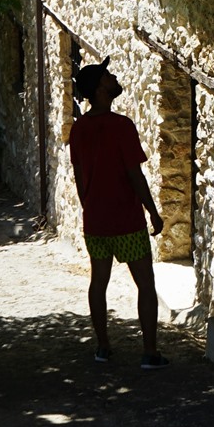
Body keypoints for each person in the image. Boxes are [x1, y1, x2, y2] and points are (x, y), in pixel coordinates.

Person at [67, 61, 167, 367]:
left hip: (95, 222)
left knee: (99, 282)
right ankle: (149, 352)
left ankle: (103, 347)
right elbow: (134, 175)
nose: (114, 78)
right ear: (100, 88)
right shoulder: (122, 126)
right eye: (109, 76)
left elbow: (79, 173)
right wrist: (152, 211)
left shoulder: (79, 129)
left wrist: (90, 207)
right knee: (145, 285)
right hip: (126, 220)